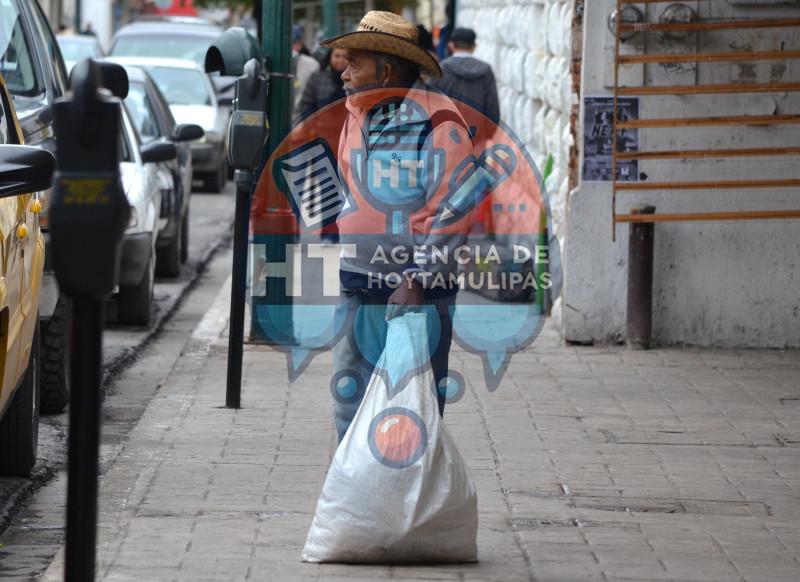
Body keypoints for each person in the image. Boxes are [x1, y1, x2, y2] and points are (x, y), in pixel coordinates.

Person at [319, 11, 475, 442]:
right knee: (348, 400)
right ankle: (354, 485)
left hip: (416, 292)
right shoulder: (355, 114)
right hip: (358, 281)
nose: (344, 73)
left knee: (412, 409)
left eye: (354, 64)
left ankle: (408, 486)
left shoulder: (440, 123)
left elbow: (454, 210)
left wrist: (418, 279)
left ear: (385, 71)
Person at [430, 27, 500, 124]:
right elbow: (492, 108)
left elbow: (430, 102)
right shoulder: (486, 70)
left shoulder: (440, 69)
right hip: (477, 129)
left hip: (446, 129)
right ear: (474, 47)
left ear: (451, 45)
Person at [296, 47, 347, 121]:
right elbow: (306, 103)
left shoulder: (354, 79)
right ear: (330, 57)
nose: (341, 60)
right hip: (321, 124)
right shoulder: (318, 77)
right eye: (337, 56)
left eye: (345, 57)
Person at [291, 25, 320, 118]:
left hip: (302, 118)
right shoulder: (270, 64)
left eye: (293, 42)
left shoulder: (311, 65)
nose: (290, 47)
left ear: (300, 44)